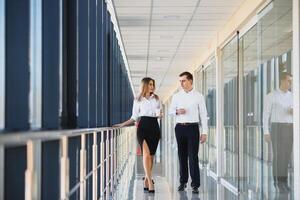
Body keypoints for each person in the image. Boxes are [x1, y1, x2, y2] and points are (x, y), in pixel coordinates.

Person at [113, 77, 162, 193]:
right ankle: (150, 182)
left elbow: (159, 113)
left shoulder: (156, 98)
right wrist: (122, 124)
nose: (152, 86)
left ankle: (146, 178)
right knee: (145, 155)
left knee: (151, 156)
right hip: (143, 127)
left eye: (153, 84)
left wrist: (160, 114)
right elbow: (134, 117)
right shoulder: (137, 99)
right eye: (150, 84)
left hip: (154, 126)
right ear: (145, 85)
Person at [169, 71, 208, 194]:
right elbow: (170, 112)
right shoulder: (176, 96)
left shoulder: (199, 96)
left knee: (193, 157)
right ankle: (183, 182)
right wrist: (177, 112)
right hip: (179, 128)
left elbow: (203, 114)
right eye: (180, 81)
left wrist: (205, 132)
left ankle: (195, 184)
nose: (181, 83)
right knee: (182, 156)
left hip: (193, 128)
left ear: (190, 81)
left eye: (183, 80)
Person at [263, 72, 293, 191]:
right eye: (288, 81)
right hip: (277, 128)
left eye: (291, 81)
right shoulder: (271, 96)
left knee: (286, 156)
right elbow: (266, 114)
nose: (290, 84)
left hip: (290, 127)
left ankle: (284, 182)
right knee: (278, 156)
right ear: (282, 81)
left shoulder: (292, 96)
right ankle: (278, 182)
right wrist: (266, 131)